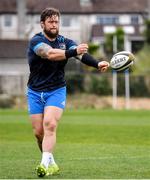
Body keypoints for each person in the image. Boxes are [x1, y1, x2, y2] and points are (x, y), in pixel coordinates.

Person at [26, 7, 109, 178]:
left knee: (50, 124)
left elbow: (81, 56)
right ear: (43, 24)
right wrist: (74, 51)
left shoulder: (66, 41)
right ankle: (51, 162)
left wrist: (97, 63)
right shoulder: (36, 41)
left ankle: (43, 165)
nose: (54, 24)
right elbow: (50, 54)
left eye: (56, 21)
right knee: (38, 133)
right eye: (50, 21)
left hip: (56, 89)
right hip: (34, 91)